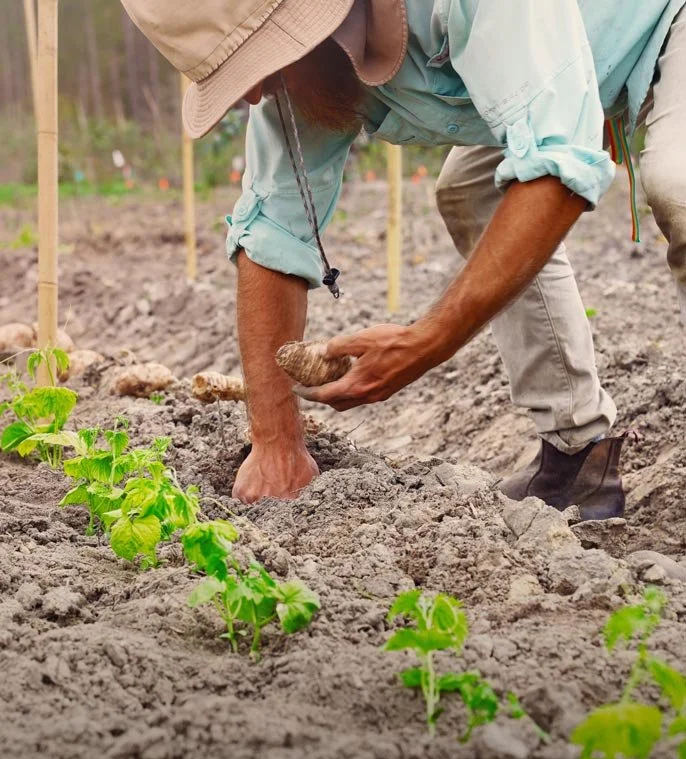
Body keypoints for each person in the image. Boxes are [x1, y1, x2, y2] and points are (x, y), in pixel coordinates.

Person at [123, 0, 686, 516]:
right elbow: (273, 225)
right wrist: (275, 443)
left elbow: (559, 169)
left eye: (253, 63)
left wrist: (427, 340)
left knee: (679, 185)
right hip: (570, 54)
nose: (250, 96)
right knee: (473, 190)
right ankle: (579, 456)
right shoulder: (308, 66)